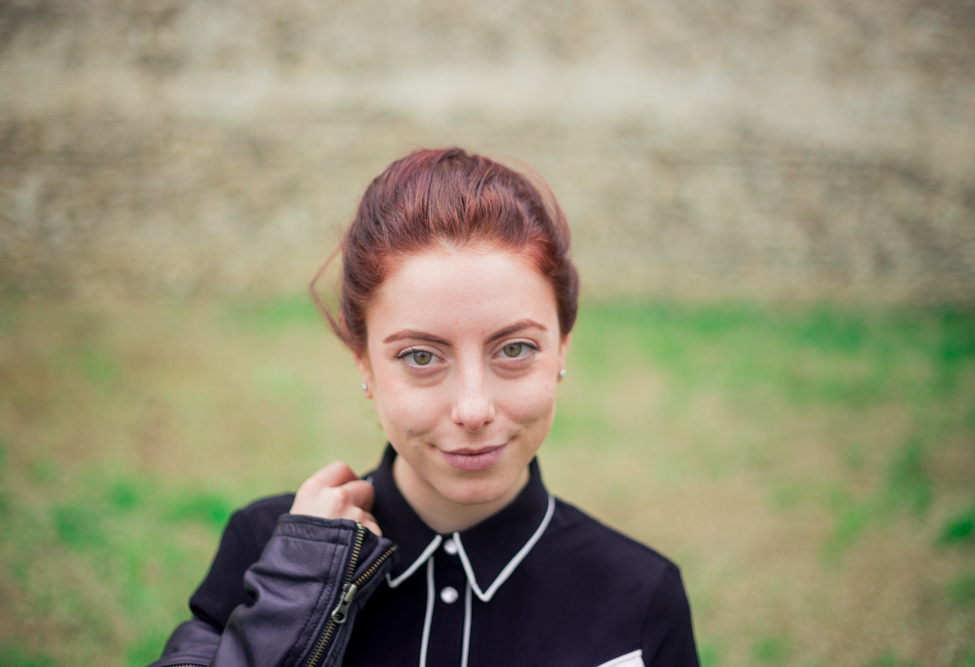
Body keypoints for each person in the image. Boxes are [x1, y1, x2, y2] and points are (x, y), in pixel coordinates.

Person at [150, 148, 699, 667]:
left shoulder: (641, 595)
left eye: (514, 349)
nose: (473, 408)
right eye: (420, 355)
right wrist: (296, 605)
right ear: (363, 362)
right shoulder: (267, 553)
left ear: (562, 349)